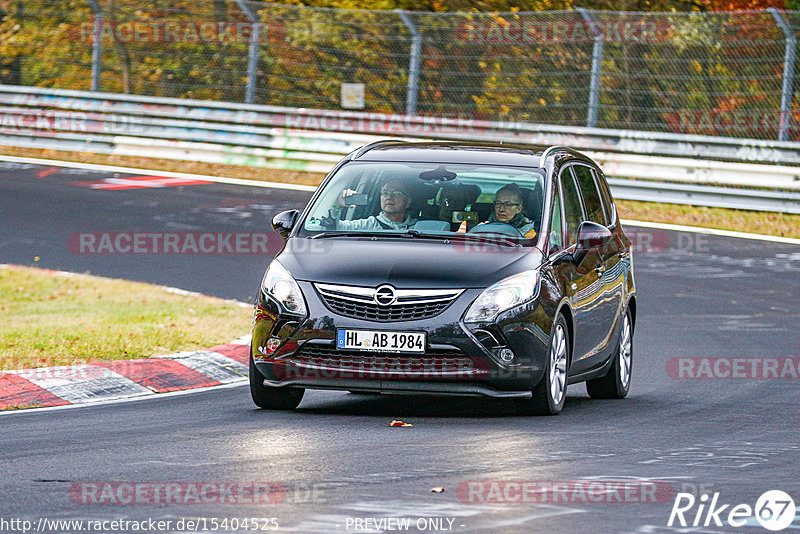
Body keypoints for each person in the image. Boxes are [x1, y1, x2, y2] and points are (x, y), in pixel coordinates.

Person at [327, 178, 417, 231]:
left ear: (408, 202)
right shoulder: (367, 225)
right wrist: (337, 205)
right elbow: (332, 228)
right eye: (385, 193)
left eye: (397, 193)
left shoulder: (418, 228)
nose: (389, 197)